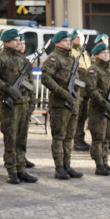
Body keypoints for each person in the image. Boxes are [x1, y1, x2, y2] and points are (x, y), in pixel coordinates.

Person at [0, 29, 38, 185]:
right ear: (6, 42)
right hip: (10, 105)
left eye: (19, 40)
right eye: (16, 40)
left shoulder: (24, 60)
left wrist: (31, 103)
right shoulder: (0, 59)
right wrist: (8, 88)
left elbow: (30, 84)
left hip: (24, 104)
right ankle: (12, 171)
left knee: (22, 140)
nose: (19, 42)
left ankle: (21, 168)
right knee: (11, 139)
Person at [40, 30, 84, 180]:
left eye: (69, 40)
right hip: (60, 104)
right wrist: (62, 92)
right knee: (59, 137)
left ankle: (67, 165)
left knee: (69, 137)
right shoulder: (53, 58)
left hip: (72, 102)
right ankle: (59, 167)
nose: (68, 43)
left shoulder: (71, 58)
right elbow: (45, 78)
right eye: (65, 41)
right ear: (57, 42)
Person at [84, 42, 110, 176]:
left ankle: (105, 162)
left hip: (109, 107)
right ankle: (99, 164)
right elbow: (91, 90)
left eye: (107, 52)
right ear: (97, 55)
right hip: (98, 109)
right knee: (98, 138)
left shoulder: (109, 69)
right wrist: (104, 103)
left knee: (107, 138)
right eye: (104, 53)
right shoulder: (93, 70)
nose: (107, 55)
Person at [70, 29, 92, 151]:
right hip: (77, 91)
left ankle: (80, 139)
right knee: (77, 117)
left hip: (85, 91)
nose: (81, 39)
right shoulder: (72, 52)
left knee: (83, 116)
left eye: (82, 37)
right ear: (73, 39)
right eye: (78, 37)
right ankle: (77, 140)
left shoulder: (84, 53)